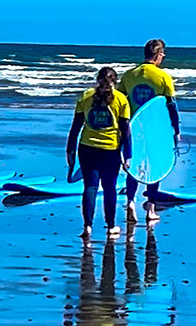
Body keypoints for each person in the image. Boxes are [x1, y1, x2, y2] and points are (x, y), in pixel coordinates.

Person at [118, 38, 181, 222]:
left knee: (133, 164)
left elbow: (120, 101)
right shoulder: (163, 77)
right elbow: (171, 106)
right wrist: (176, 129)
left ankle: (130, 201)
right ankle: (150, 210)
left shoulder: (129, 75)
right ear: (158, 55)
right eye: (162, 54)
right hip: (156, 129)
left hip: (132, 128)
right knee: (154, 166)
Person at [67, 66, 133, 239]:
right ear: (115, 81)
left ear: (97, 79)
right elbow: (126, 130)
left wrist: (70, 150)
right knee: (109, 187)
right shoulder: (121, 99)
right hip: (110, 150)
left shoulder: (86, 96)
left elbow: (75, 127)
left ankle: (87, 226)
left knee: (90, 187)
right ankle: (111, 226)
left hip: (87, 148)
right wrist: (128, 156)